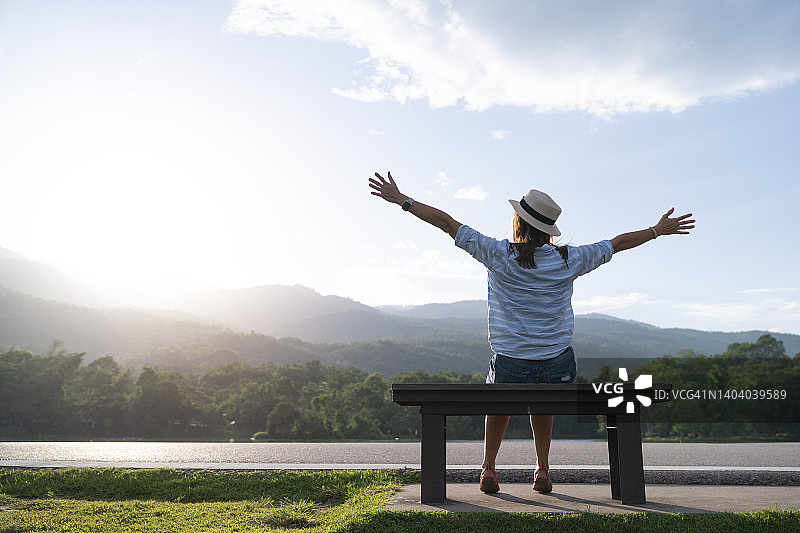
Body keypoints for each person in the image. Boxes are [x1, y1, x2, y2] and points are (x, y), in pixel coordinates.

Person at [368, 170, 694, 495]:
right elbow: (618, 243)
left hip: (510, 361)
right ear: (548, 230)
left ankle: (488, 468)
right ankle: (542, 467)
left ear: (519, 223)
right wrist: (656, 230)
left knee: (497, 401)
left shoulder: (498, 254)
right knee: (544, 402)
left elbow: (447, 223)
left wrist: (403, 201)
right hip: (557, 363)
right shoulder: (570, 259)